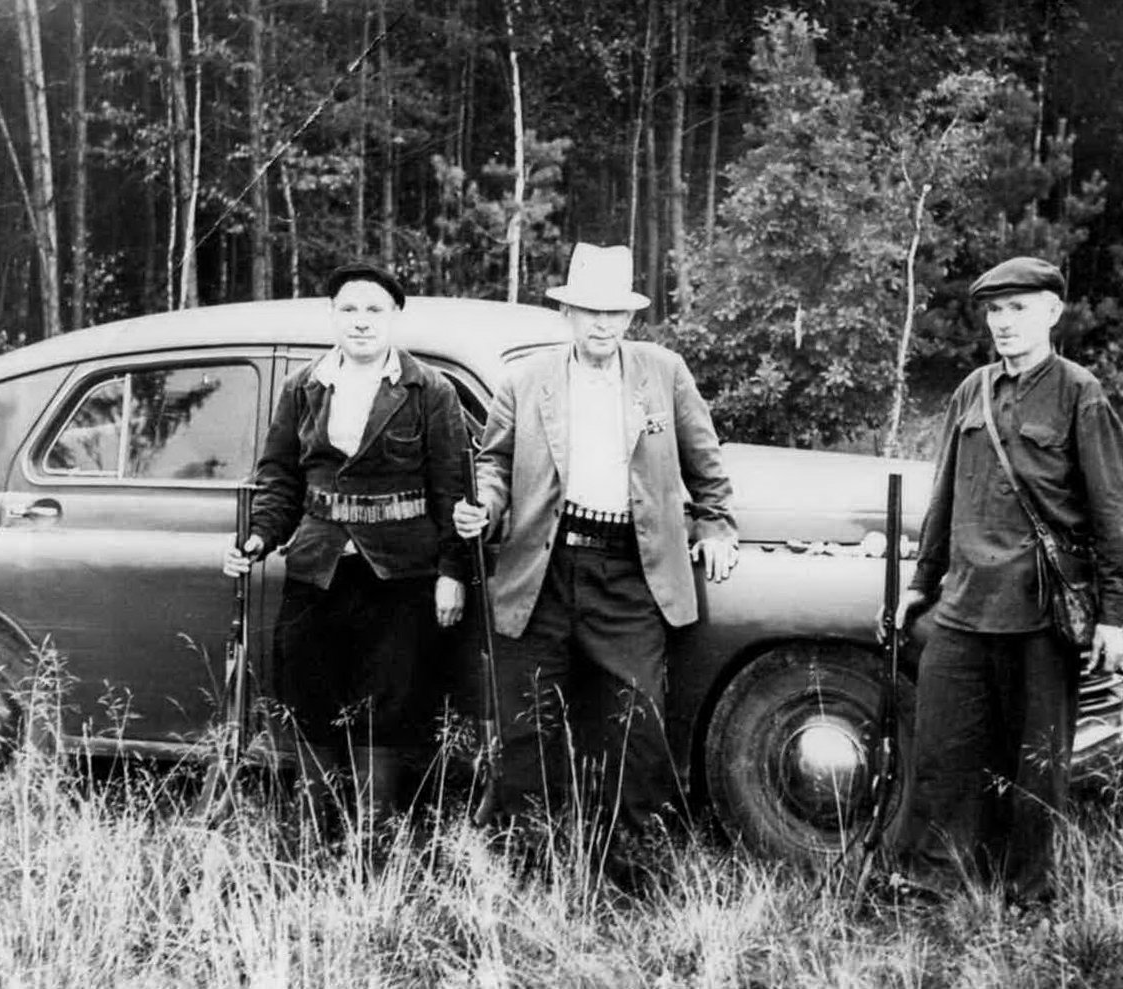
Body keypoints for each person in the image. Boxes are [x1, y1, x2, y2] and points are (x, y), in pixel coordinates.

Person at [452, 243, 738, 836]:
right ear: (567, 313)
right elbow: (495, 464)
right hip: (542, 571)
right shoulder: (525, 381)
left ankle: (629, 856)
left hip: (630, 573)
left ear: (630, 317)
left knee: (636, 723)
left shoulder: (665, 373)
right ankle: (524, 849)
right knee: (527, 721)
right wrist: (485, 505)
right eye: (590, 311)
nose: (602, 324)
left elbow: (705, 461)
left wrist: (714, 524)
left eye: (614, 312)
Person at [885, 256, 1123, 905]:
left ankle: (1029, 893)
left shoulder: (1080, 393)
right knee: (943, 750)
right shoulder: (971, 391)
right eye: (994, 311)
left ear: (1052, 312)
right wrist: (920, 583)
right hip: (964, 605)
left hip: (1040, 612)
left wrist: (1112, 615)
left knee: (1037, 761)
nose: (1003, 322)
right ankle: (932, 880)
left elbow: (1116, 509)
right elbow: (944, 495)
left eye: (1018, 308)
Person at [223, 262, 467, 821]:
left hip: (401, 574)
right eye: (349, 309)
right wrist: (259, 536)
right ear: (332, 316)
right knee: (308, 691)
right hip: (318, 568)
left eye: (374, 309)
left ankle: (373, 831)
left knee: (392, 700)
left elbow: (453, 489)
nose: (361, 321)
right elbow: (279, 476)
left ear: (395, 316)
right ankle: (318, 825)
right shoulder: (303, 387)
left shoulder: (429, 390)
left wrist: (452, 572)